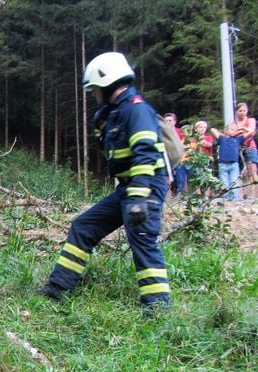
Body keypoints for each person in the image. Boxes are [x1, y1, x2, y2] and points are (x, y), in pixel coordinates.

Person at [38, 52, 170, 311]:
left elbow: (145, 152)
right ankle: (58, 288)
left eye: (96, 88)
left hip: (145, 186)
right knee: (84, 226)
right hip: (127, 188)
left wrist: (139, 196)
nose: (94, 94)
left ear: (108, 82)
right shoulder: (115, 113)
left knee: (142, 240)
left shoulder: (136, 109)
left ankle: (157, 309)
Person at [210, 122, 244, 201]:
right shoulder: (222, 138)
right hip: (223, 164)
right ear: (226, 130)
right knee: (224, 183)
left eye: (235, 130)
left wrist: (239, 131)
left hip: (234, 164)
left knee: (234, 182)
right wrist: (225, 133)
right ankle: (226, 199)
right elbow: (212, 129)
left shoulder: (237, 139)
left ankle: (234, 199)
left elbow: (250, 132)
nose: (234, 131)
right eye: (232, 129)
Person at [235, 102, 257, 198]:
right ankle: (240, 194)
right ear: (236, 111)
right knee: (239, 173)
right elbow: (231, 133)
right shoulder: (233, 123)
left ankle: (254, 194)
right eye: (240, 111)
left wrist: (242, 130)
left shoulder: (251, 120)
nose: (242, 112)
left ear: (247, 111)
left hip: (249, 146)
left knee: (252, 170)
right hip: (238, 148)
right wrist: (245, 130)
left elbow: (252, 131)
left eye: (244, 110)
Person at [164, 113, 189, 195]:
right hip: (166, 157)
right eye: (166, 121)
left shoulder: (180, 132)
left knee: (182, 177)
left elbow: (185, 143)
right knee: (166, 177)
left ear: (174, 121)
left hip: (180, 157)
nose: (168, 122)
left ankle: (182, 195)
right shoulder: (161, 132)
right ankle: (167, 196)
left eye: (170, 120)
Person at [189, 120, 215, 197]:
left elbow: (209, 145)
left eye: (204, 127)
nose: (203, 129)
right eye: (200, 127)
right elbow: (191, 148)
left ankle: (207, 196)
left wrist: (201, 141)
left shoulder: (208, 137)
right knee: (196, 178)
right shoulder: (192, 139)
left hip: (206, 159)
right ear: (196, 129)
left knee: (207, 177)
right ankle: (198, 195)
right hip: (196, 160)